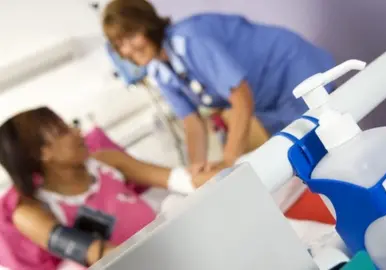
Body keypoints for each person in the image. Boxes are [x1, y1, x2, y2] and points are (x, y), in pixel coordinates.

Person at [102, 0, 336, 175]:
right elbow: (191, 121)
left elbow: (241, 97)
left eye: (131, 36)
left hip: (290, 70)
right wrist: (197, 168)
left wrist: (228, 161)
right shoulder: (158, 70)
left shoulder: (190, 41)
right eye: (119, 45)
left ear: (147, 25)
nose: (128, 50)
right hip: (268, 100)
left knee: (327, 152)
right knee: (305, 160)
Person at [0, 107, 217, 269]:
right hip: (136, 263)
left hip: (169, 247)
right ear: (42, 153)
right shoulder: (31, 213)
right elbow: (96, 253)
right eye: (63, 131)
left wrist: (231, 171)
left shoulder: (106, 162)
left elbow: (178, 179)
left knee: (177, 202)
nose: (77, 131)